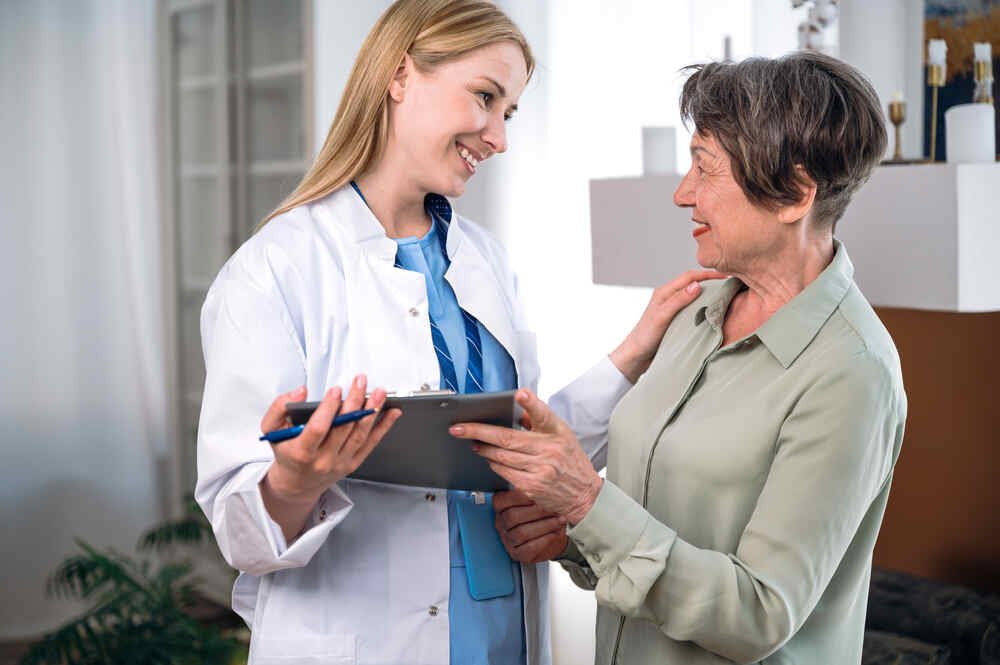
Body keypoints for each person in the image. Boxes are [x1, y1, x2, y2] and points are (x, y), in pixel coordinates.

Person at [195, 1, 720, 664]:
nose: (499, 136)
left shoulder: (484, 260)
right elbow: (239, 532)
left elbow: (512, 441)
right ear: (399, 75)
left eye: (510, 113)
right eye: (485, 97)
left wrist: (635, 349)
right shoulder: (277, 269)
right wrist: (295, 483)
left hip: (503, 634)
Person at [451, 51, 907, 664]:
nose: (681, 193)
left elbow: (758, 612)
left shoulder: (851, 374)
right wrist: (572, 534)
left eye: (704, 168)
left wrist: (588, 501)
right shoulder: (695, 313)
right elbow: (664, 526)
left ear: (795, 195)